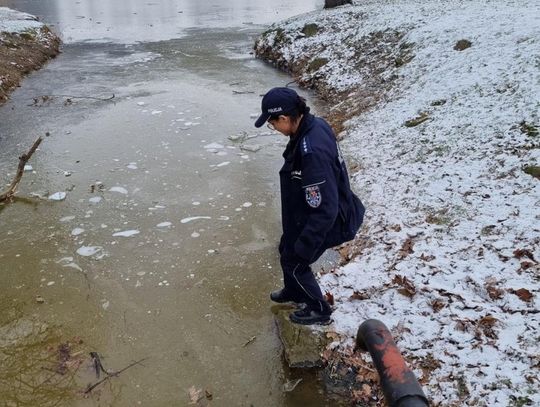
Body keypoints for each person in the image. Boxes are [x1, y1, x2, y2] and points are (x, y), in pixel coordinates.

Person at [254, 87, 365, 325]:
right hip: (308, 213)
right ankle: (294, 291)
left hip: (331, 220)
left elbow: (325, 209)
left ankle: (319, 309)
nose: (273, 129)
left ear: (284, 118)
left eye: (272, 124)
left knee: (296, 260)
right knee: (286, 249)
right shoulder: (313, 125)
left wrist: (306, 244)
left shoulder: (311, 150)